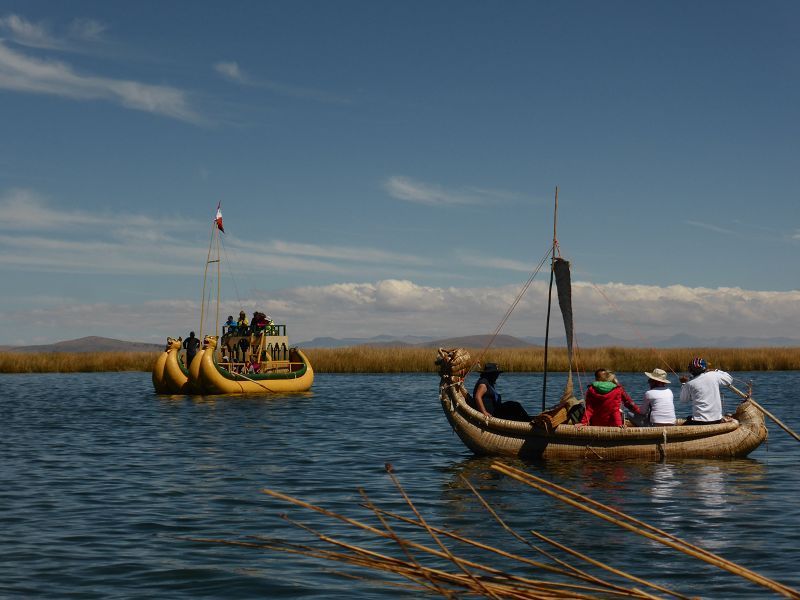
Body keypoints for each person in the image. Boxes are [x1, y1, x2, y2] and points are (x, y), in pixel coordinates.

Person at [679, 357, 732, 425]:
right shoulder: (714, 375)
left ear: (691, 370)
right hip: (717, 420)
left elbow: (683, 400)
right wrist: (716, 370)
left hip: (699, 422)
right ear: (705, 368)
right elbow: (729, 379)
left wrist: (683, 384)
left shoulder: (689, 384)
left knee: (688, 419)